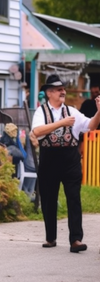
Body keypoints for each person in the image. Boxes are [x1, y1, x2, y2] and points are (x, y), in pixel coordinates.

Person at [31, 74, 100, 253]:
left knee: (74, 199)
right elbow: (37, 131)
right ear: (49, 93)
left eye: (63, 89)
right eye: (59, 89)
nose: (63, 92)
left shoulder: (72, 111)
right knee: (48, 199)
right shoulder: (41, 112)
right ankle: (51, 237)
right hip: (49, 161)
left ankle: (76, 239)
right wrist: (61, 123)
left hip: (70, 160)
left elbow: (90, 126)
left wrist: (99, 112)